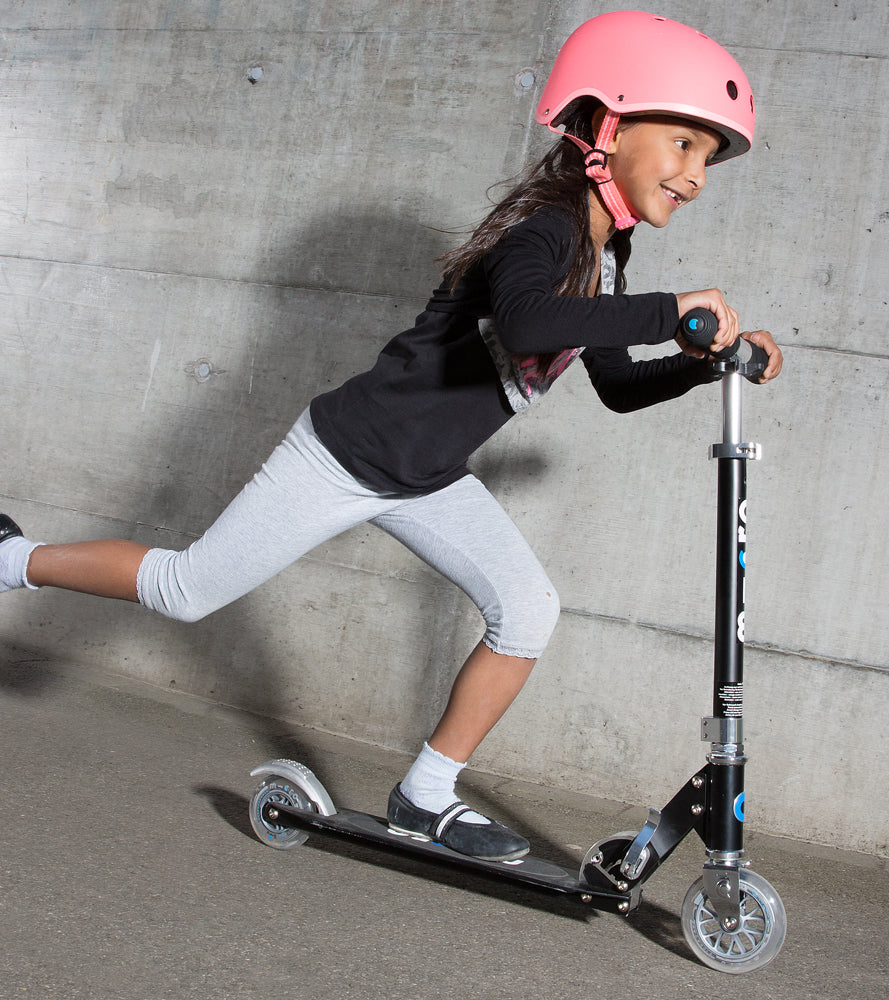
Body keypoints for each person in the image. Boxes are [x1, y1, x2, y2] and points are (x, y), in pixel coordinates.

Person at [0, 12, 782, 861]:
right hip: (346, 454)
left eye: (708, 157)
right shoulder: (546, 230)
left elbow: (619, 388)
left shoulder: (604, 258)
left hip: (425, 474)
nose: (695, 174)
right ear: (609, 127)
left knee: (526, 609)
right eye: (682, 144)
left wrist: (710, 364)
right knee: (184, 590)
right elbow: (526, 321)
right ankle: (11, 558)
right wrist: (671, 311)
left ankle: (425, 796)